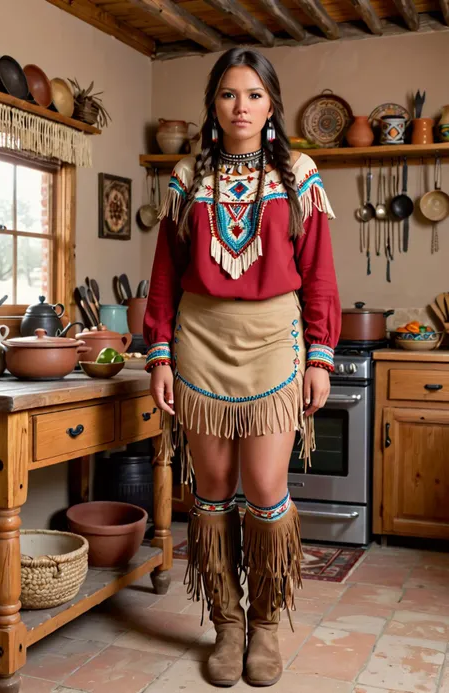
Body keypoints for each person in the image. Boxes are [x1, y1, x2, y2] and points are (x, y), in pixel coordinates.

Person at [143, 47, 341, 688]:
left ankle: (264, 624)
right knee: (212, 487)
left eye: (254, 94)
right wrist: (160, 353)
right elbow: (166, 274)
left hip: (273, 343)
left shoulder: (300, 173)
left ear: (272, 104)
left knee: (264, 487)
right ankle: (226, 625)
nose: (241, 106)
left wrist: (321, 355)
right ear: (214, 104)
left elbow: (319, 275)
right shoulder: (185, 177)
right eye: (229, 94)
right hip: (200, 338)